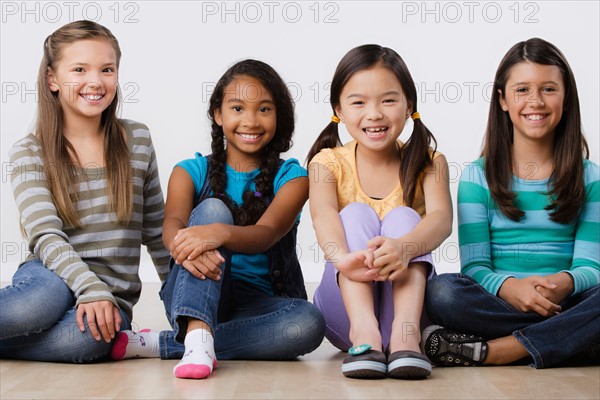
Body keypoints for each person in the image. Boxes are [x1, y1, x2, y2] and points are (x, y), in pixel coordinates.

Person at [111, 59, 325, 379]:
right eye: (238, 108)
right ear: (218, 114)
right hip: (194, 292)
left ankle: (171, 344)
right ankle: (196, 333)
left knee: (307, 324)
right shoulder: (189, 171)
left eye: (264, 109)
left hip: (260, 304)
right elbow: (170, 227)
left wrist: (218, 234)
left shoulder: (293, 177)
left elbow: (265, 234)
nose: (250, 120)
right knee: (212, 207)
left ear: (279, 116)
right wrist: (190, 242)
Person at [423, 38, 600, 369]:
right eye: (522, 90)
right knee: (442, 292)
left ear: (566, 98)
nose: (536, 101)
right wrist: (509, 288)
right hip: (501, 302)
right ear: (503, 100)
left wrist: (564, 283)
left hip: (567, 301)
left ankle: (502, 350)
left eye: (549, 89)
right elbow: (475, 269)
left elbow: (591, 267)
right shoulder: (478, 178)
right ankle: (573, 341)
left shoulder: (590, 177)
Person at [0, 20, 170, 363]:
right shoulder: (29, 152)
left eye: (107, 69)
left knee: (90, 340)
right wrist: (87, 287)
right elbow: (45, 235)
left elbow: (156, 233)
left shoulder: (136, 139)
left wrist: (184, 307)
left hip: (112, 297)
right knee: (41, 301)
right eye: (79, 69)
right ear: (52, 79)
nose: (95, 82)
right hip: (50, 276)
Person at [307, 44, 453, 379]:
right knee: (355, 213)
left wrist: (405, 248)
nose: (374, 114)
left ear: (409, 105)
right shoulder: (327, 163)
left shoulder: (430, 162)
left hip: (410, 312)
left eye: (388, 100)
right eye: (358, 102)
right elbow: (323, 216)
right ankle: (366, 335)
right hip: (345, 318)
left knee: (405, 219)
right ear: (338, 110)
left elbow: (442, 220)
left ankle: (405, 336)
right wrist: (341, 258)